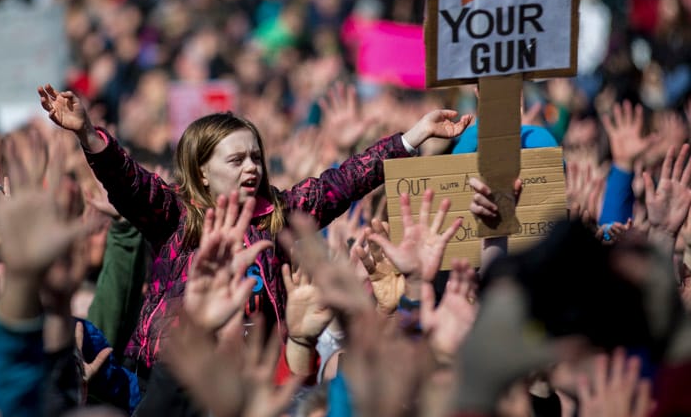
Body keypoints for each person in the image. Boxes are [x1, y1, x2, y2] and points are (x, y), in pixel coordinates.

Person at [38, 83, 474, 377]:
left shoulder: (279, 214)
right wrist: (88, 134)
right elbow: (129, 180)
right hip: (174, 378)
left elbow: (345, 181)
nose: (251, 167)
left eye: (255, 157)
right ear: (202, 173)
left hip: (255, 378)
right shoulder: (175, 215)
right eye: (235, 160)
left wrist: (411, 138)